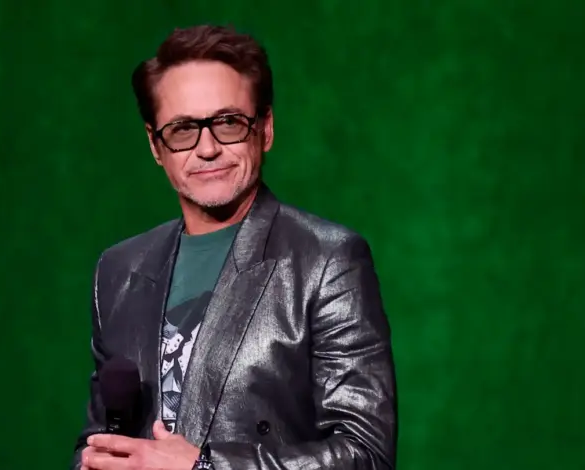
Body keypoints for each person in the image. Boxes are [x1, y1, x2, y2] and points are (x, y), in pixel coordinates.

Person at [72, 24, 397, 470]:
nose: (206, 148)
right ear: (155, 145)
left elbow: (366, 454)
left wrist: (205, 466)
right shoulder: (118, 270)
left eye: (228, 123)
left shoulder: (327, 260)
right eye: (183, 129)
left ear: (265, 129)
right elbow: (98, 439)